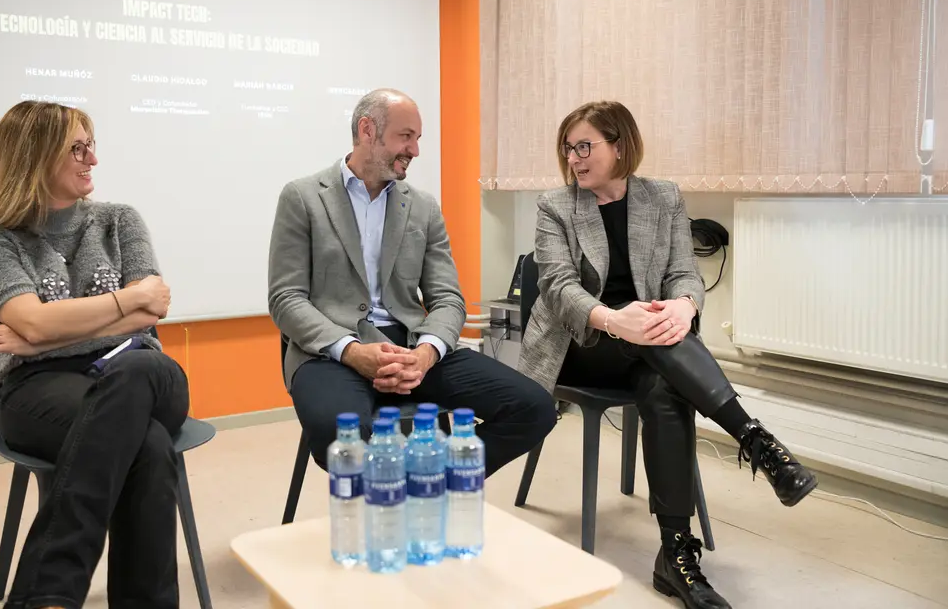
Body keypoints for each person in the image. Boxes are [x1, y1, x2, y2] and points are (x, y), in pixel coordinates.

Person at [517, 101, 817, 609]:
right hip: (581, 342)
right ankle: (756, 441)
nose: (574, 158)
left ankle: (675, 554)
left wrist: (683, 305)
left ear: (620, 145)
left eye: (585, 146)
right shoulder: (555, 205)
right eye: (568, 148)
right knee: (658, 348)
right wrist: (614, 319)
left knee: (662, 384)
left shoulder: (663, 197)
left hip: (649, 344)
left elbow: (684, 272)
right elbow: (558, 287)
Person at [0, 101, 189, 609]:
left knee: (136, 367)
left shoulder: (118, 221)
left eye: (92, 145)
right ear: (33, 157)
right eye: (77, 148)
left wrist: (40, 335)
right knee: (147, 447)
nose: (92, 160)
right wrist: (125, 301)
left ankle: (47, 592)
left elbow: (147, 320)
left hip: (144, 370)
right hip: (39, 391)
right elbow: (136, 303)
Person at [269, 88, 556, 475]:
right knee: (340, 436)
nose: (415, 150)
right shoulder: (303, 198)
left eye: (418, 138)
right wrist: (352, 352)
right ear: (367, 130)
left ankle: (428, 482)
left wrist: (425, 354)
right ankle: (400, 497)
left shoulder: (422, 207)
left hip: (412, 348)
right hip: (331, 354)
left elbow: (448, 299)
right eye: (406, 136)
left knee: (534, 409)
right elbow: (286, 298)